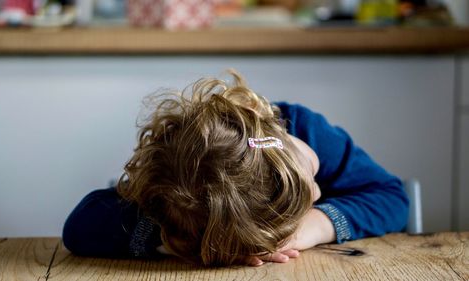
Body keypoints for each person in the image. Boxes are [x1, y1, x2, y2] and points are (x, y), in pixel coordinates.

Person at [62, 70, 409, 267]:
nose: (319, 190)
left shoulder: (307, 130)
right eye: (309, 185)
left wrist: (314, 226)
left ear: (274, 130)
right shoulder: (177, 195)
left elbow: (394, 198)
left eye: (305, 168)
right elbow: (79, 228)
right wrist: (184, 240)